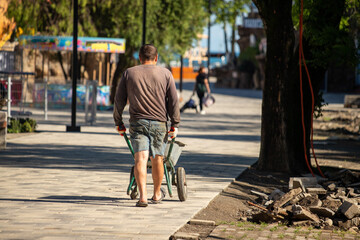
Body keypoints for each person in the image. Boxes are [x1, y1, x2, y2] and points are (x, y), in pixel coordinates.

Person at [113, 44, 180, 207]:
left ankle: (143, 197)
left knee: (140, 159)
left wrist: (118, 122)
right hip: (159, 123)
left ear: (139, 58)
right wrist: (175, 124)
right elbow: (173, 101)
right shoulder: (166, 74)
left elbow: (119, 100)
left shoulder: (129, 73)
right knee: (158, 158)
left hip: (137, 122)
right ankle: (157, 194)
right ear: (156, 58)